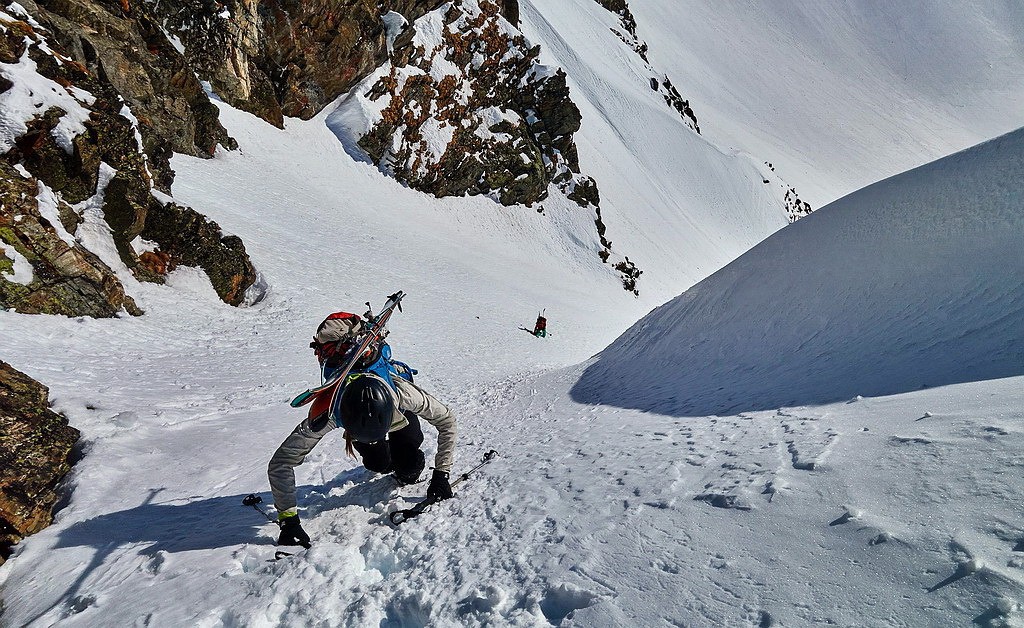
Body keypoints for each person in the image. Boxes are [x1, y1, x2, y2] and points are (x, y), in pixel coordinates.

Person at [267, 313, 457, 548]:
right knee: (377, 464)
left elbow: (446, 420)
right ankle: (384, 455)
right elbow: (281, 463)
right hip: (362, 414)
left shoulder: (402, 394)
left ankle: (401, 459)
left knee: (409, 468)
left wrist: (441, 473)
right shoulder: (327, 411)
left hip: (395, 411)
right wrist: (288, 520)